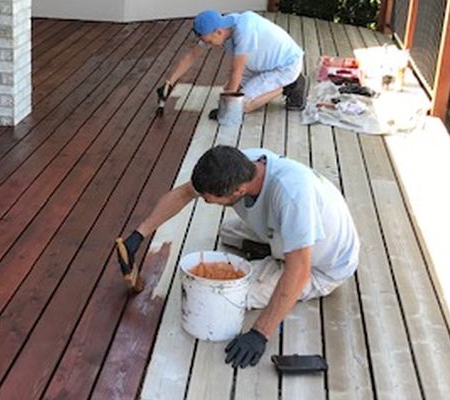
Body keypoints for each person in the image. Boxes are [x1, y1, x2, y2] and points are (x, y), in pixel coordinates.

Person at [116, 146, 360, 369]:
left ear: (239, 190)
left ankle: (278, 253)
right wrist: (139, 235)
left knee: (222, 295)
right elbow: (183, 193)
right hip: (295, 233)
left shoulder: (292, 197)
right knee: (228, 232)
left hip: (323, 266)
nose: (204, 200)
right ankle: (276, 247)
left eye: (209, 198)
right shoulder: (241, 164)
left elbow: (299, 272)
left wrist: (259, 333)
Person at [155, 10, 308, 119]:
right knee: (228, 90)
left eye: (209, 41)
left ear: (219, 32)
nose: (209, 45)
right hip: (262, 63)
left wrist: (228, 109)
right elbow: (191, 56)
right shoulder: (223, 24)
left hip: (285, 66)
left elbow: (237, 72)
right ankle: (277, 84)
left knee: (242, 105)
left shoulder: (243, 31)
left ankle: (290, 85)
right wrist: (169, 82)